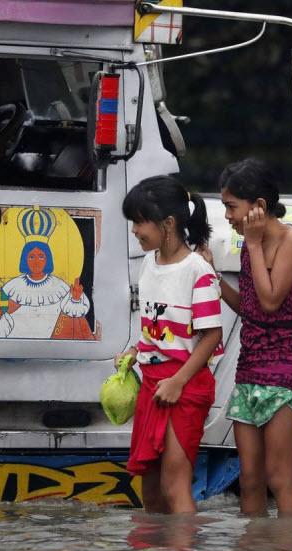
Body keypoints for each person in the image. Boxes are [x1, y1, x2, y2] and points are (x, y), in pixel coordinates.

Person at [198, 159, 292, 517]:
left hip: (287, 371)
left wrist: (252, 245)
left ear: (258, 206)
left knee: (279, 478)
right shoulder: (252, 243)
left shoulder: (290, 239)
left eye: (232, 206)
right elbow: (251, 309)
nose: (228, 215)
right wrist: (214, 278)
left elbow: (270, 300)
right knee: (249, 478)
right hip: (251, 369)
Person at [114, 175, 224, 515]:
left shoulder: (198, 270)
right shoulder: (150, 263)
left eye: (139, 221)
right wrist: (135, 351)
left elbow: (211, 335)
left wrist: (178, 382)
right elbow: (155, 327)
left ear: (168, 224)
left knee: (175, 485)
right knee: (150, 487)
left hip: (185, 384)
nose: (134, 230)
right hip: (153, 383)